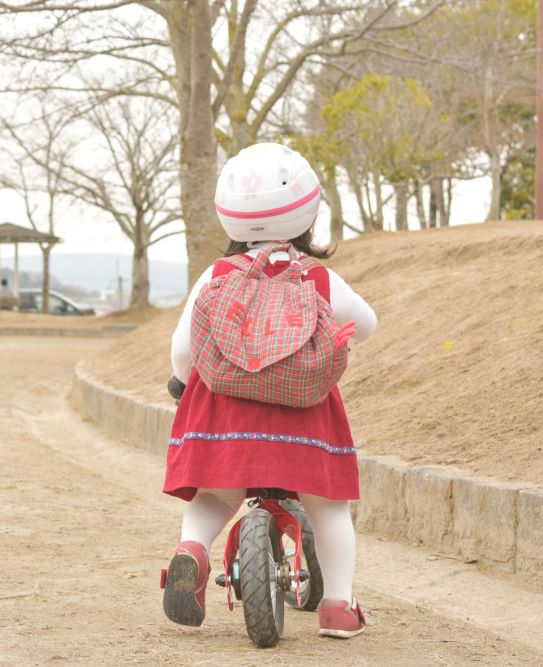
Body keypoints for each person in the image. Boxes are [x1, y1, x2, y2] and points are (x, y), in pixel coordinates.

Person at [162, 142, 377, 639]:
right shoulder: (319, 277)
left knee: (216, 497)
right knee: (328, 508)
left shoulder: (217, 276)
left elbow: (183, 347)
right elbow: (366, 325)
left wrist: (181, 381)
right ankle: (339, 607)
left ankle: (192, 549)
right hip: (304, 415)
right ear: (307, 213)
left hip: (227, 416)